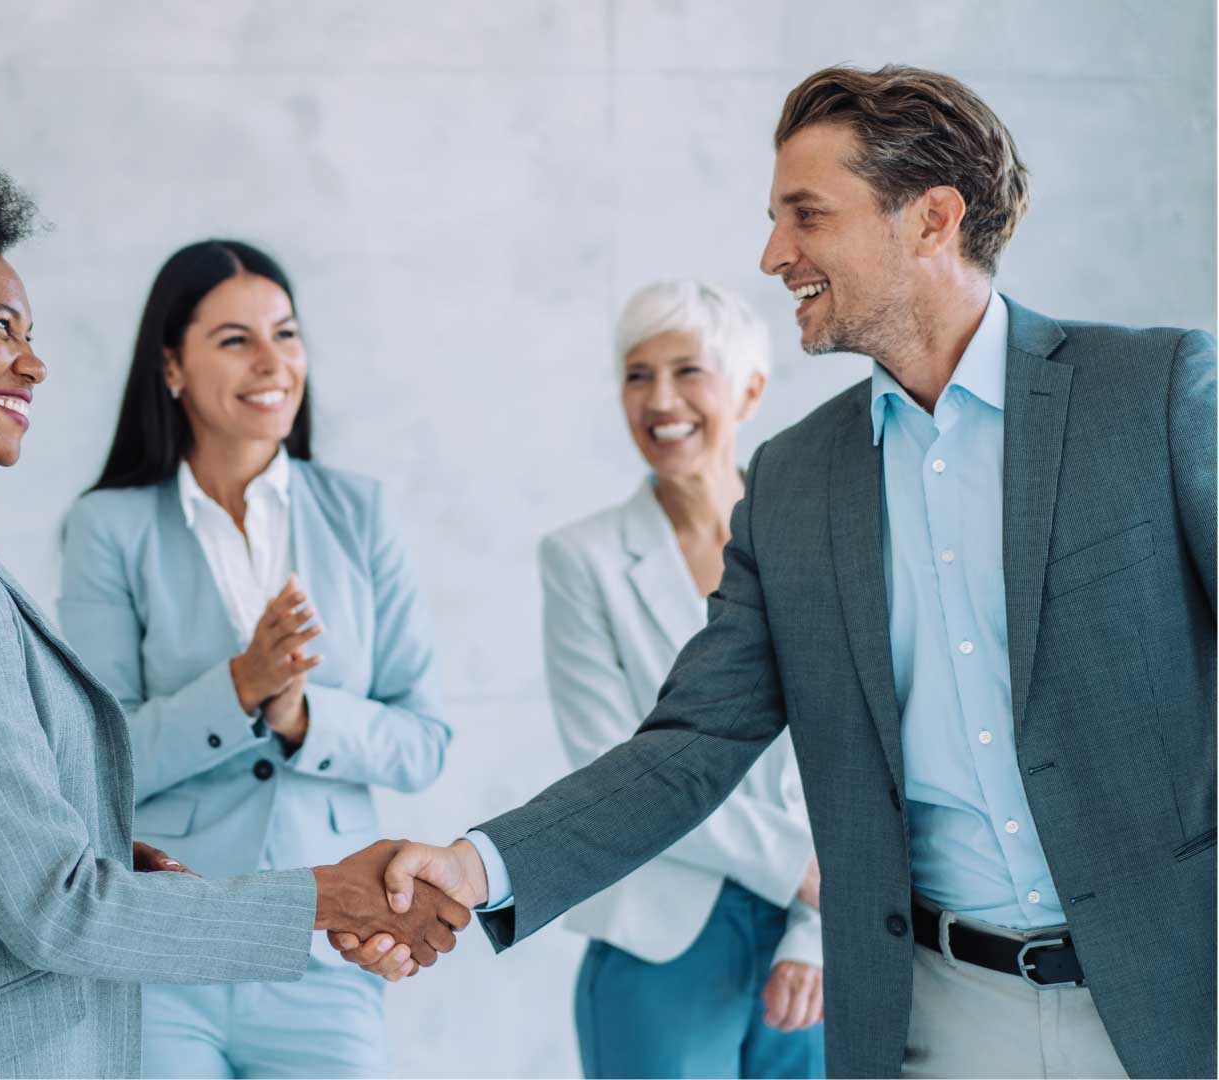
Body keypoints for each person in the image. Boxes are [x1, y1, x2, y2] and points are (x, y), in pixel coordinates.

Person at [339, 64, 1216, 1079]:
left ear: (931, 219)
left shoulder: (1150, 394)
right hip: (939, 1021)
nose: (772, 255)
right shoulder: (797, 481)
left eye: (807, 216)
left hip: (1181, 991)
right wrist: (476, 864)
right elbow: (693, 741)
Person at [0, 144, 467, 1079]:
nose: (35, 363)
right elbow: (56, 907)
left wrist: (109, 843)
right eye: (0, 326)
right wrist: (327, 898)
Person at [59, 239, 451, 1078]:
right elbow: (95, 761)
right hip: (168, 950)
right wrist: (240, 687)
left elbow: (424, 740)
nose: (272, 361)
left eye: (286, 333)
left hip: (326, 953)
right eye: (235, 339)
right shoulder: (110, 528)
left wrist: (302, 715)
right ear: (172, 367)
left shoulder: (360, 513)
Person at [539, 279, 822, 1077]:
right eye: (637, 374)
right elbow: (614, 773)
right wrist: (795, 870)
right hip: (657, 939)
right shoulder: (581, 560)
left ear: (751, 388)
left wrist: (819, 925)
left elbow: (855, 747)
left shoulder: (816, 541)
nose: (660, 399)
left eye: (687, 370)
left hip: (817, 940)